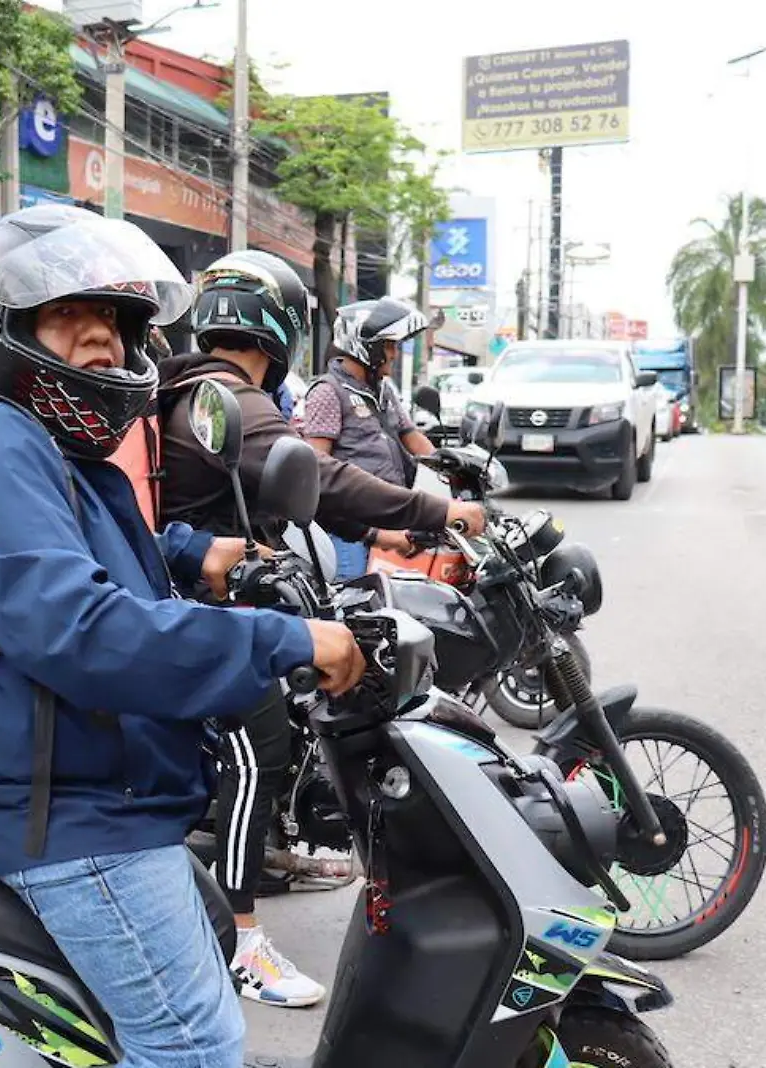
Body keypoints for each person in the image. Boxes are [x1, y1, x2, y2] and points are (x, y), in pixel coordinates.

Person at [0, 205, 367, 1068]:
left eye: (113, 321)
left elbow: (87, 551)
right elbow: (80, 630)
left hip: (97, 795)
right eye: (66, 316)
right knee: (194, 1044)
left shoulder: (38, 445)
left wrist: (202, 554)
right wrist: (285, 640)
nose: (102, 343)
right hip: (68, 820)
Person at [156, 250, 483, 1009]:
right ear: (279, 327)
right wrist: (439, 513)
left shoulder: (199, 386)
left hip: (219, 592)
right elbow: (325, 479)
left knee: (286, 720)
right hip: (197, 607)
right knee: (258, 741)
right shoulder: (226, 395)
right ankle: (241, 941)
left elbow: (306, 492)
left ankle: (273, 854)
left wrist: (396, 536)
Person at [299, 297, 441, 573]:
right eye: (389, 345)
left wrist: (449, 466)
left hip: (389, 516)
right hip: (349, 528)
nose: (394, 354)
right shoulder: (328, 391)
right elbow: (316, 468)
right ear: (366, 346)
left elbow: (411, 436)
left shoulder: (383, 391)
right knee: (354, 604)